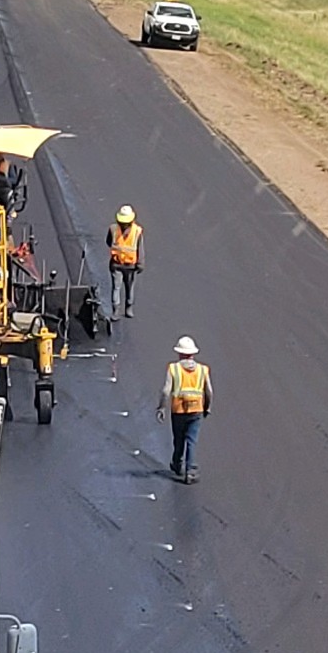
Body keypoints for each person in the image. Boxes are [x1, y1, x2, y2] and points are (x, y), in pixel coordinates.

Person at [155, 335, 212, 483]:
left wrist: (161, 407)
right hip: (197, 410)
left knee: (178, 439)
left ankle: (177, 463)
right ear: (193, 353)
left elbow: (166, 391)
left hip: (178, 411)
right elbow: (209, 391)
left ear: (179, 353)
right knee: (191, 440)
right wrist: (207, 407)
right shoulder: (203, 370)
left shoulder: (173, 368)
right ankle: (190, 471)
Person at [106, 205, 143, 319]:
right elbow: (109, 241)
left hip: (130, 266)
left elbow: (140, 248)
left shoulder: (137, 232)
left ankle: (128, 308)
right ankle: (116, 310)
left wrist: (140, 263)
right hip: (117, 265)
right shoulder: (113, 229)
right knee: (116, 288)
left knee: (129, 288)